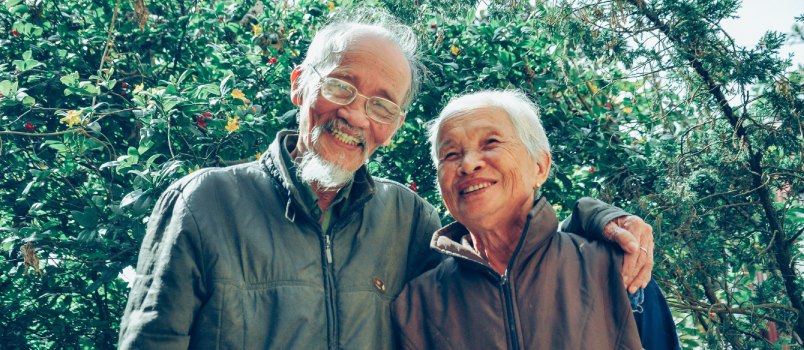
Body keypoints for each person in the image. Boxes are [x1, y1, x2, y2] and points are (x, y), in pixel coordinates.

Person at [118, 10, 657, 350]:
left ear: (394, 126)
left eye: (381, 104)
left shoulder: (406, 220)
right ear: (300, 85)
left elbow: (505, 267)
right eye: (343, 88)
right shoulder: (206, 202)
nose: (356, 115)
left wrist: (597, 218)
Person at [391, 90, 679, 349]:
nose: (468, 164)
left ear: (540, 167)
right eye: (450, 154)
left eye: (490, 143)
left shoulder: (616, 268)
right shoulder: (418, 305)